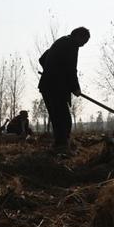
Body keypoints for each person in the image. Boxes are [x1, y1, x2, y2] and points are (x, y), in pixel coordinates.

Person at [38, 27, 90, 155]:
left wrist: (51, 71)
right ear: (78, 36)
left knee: (58, 117)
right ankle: (62, 147)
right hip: (55, 88)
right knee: (64, 118)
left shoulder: (61, 41)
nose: (83, 45)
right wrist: (75, 88)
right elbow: (71, 69)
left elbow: (42, 58)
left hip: (48, 86)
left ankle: (59, 145)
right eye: (84, 41)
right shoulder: (71, 45)